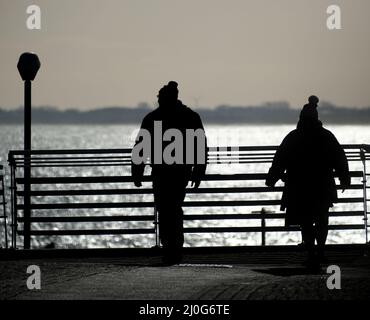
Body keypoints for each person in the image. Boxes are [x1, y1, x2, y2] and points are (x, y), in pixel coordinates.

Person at [266, 95, 350, 267]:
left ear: (301, 118)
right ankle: (320, 251)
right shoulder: (327, 136)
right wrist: (344, 178)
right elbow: (340, 158)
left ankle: (311, 252)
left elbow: (280, 159)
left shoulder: (293, 136)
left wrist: (272, 178)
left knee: (305, 220)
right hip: (322, 185)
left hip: (299, 187)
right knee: (321, 219)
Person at [131, 81, 207, 264]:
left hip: (161, 172)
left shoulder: (152, 118)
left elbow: (141, 147)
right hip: (181, 172)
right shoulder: (191, 116)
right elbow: (201, 147)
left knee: (165, 210)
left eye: (159, 97)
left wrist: (137, 171)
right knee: (174, 209)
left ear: (164, 98)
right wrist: (198, 171)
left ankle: (169, 246)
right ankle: (175, 247)